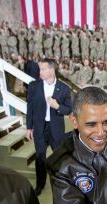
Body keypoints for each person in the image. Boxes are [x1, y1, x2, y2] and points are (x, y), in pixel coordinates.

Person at [26, 58, 72, 195]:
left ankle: (60, 184)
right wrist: (29, 127)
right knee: (40, 157)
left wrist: (57, 106)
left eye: (43, 69)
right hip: (40, 127)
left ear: (51, 70)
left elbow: (69, 109)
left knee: (58, 157)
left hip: (56, 129)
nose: (39, 72)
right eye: (39, 69)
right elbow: (30, 108)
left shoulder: (64, 88)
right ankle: (40, 185)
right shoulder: (34, 86)